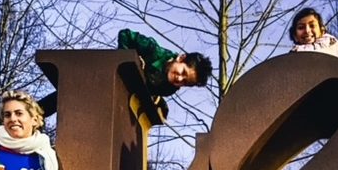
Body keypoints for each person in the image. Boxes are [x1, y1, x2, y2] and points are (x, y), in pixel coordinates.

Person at [39, 28, 213, 117]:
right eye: (182, 72)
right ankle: (37, 111)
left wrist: (155, 101)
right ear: (181, 58)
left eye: (185, 82)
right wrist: (128, 57)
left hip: (118, 97)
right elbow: (125, 34)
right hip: (108, 75)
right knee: (72, 92)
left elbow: (148, 93)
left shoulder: (169, 88)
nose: (179, 79)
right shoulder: (153, 50)